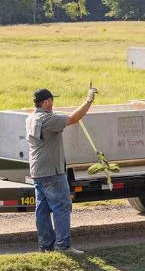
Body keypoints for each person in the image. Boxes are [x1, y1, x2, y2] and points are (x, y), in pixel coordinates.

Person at [26, 86, 97, 256]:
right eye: (51, 100)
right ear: (46, 102)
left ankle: (45, 246)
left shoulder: (31, 118)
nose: (53, 103)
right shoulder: (49, 120)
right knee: (62, 207)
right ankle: (63, 246)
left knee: (42, 210)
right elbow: (74, 118)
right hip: (53, 171)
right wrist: (89, 100)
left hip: (37, 170)